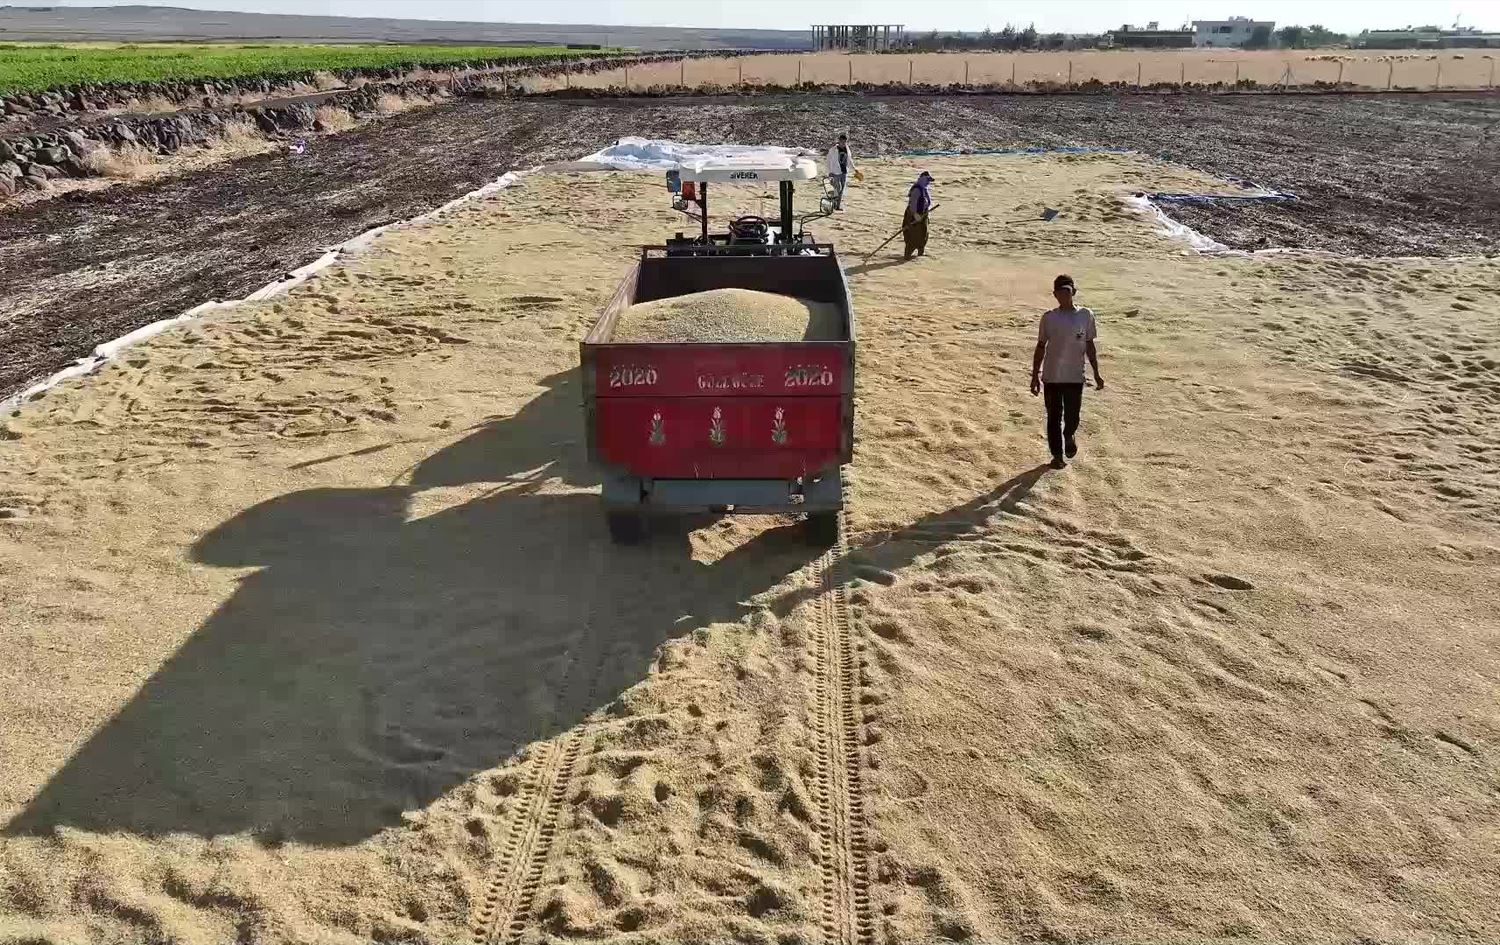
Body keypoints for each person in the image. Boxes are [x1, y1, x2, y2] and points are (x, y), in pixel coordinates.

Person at [1029, 274, 1103, 469]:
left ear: (1074, 292)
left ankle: (1069, 434)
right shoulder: (1049, 318)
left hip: (1074, 376)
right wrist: (1035, 375)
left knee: (1072, 416)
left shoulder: (1085, 315)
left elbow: (1090, 346)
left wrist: (1096, 372)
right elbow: (1040, 346)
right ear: (1054, 295)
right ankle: (1057, 456)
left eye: (1067, 292)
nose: (1063, 296)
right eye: (1059, 293)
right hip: (1052, 376)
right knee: (1053, 417)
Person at [903, 171, 934, 259]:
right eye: (927, 180)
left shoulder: (924, 189)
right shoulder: (917, 189)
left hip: (923, 216)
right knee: (912, 235)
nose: (928, 182)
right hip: (913, 217)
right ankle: (908, 255)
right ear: (923, 180)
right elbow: (913, 204)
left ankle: (920, 254)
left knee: (923, 234)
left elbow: (926, 202)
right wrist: (915, 215)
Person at [825, 133, 855, 209]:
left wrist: (854, 169)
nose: (843, 143)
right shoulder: (833, 150)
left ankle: (837, 206)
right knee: (838, 188)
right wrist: (829, 172)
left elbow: (849, 160)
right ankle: (834, 203)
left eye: (844, 141)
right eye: (841, 141)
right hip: (835, 172)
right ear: (839, 141)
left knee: (841, 190)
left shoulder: (847, 149)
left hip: (844, 172)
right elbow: (828, 161)